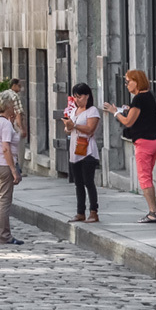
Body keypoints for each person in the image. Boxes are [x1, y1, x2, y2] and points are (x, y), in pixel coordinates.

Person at [103, 70, 156, 223]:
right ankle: (154, 209)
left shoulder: (138, 99)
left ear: (137, 81)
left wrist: (115, 112)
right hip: (155, 140)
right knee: (147, 176)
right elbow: (142, 116)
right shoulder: (148, 96)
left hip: (144, 142)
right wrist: (127, 110)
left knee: (144, 178)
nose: (126, 85)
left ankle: (153, 212)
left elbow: (128, 122)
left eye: (128, 81)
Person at [0, 90, 23, 245]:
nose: (14, 107)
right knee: (4, 201)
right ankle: (4, 235)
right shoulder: (5, 124)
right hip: (3, 163)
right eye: (12, 105)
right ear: (7, 105)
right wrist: (13, 169)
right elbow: (6, 147)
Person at [64, 83, 100, 224]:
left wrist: (74, 126)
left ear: (87, 96)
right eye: (75, 97)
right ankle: (80, 212)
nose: (77, 100)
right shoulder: (75, 111)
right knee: (78, 183)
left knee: (88, 182)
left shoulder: (92, 111)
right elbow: (69, 129)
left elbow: (90, 129)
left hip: (87, 151)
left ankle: (93, 211)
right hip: (75, 150)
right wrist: (68, 126)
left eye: (79, 97)